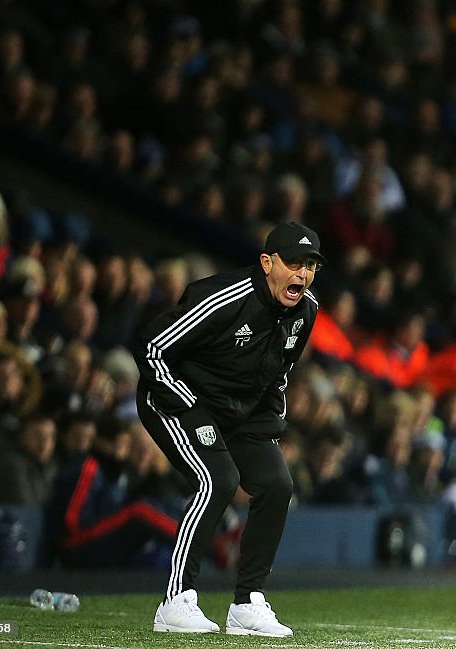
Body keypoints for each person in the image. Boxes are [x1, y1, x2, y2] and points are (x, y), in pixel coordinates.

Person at [133, 222, 324, 636]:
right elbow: (152, 348)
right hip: (175, 398)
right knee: (218, 479)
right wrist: (191, 407)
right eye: (293, 263)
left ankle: (247, 603)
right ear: (267, 263)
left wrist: (269, 425)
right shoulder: (225, 298)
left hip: (241, 410)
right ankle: (176, 601)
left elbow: (278, 375)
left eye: (309, 265)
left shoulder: (306, 310)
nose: (302, 274)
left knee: (276, 484)